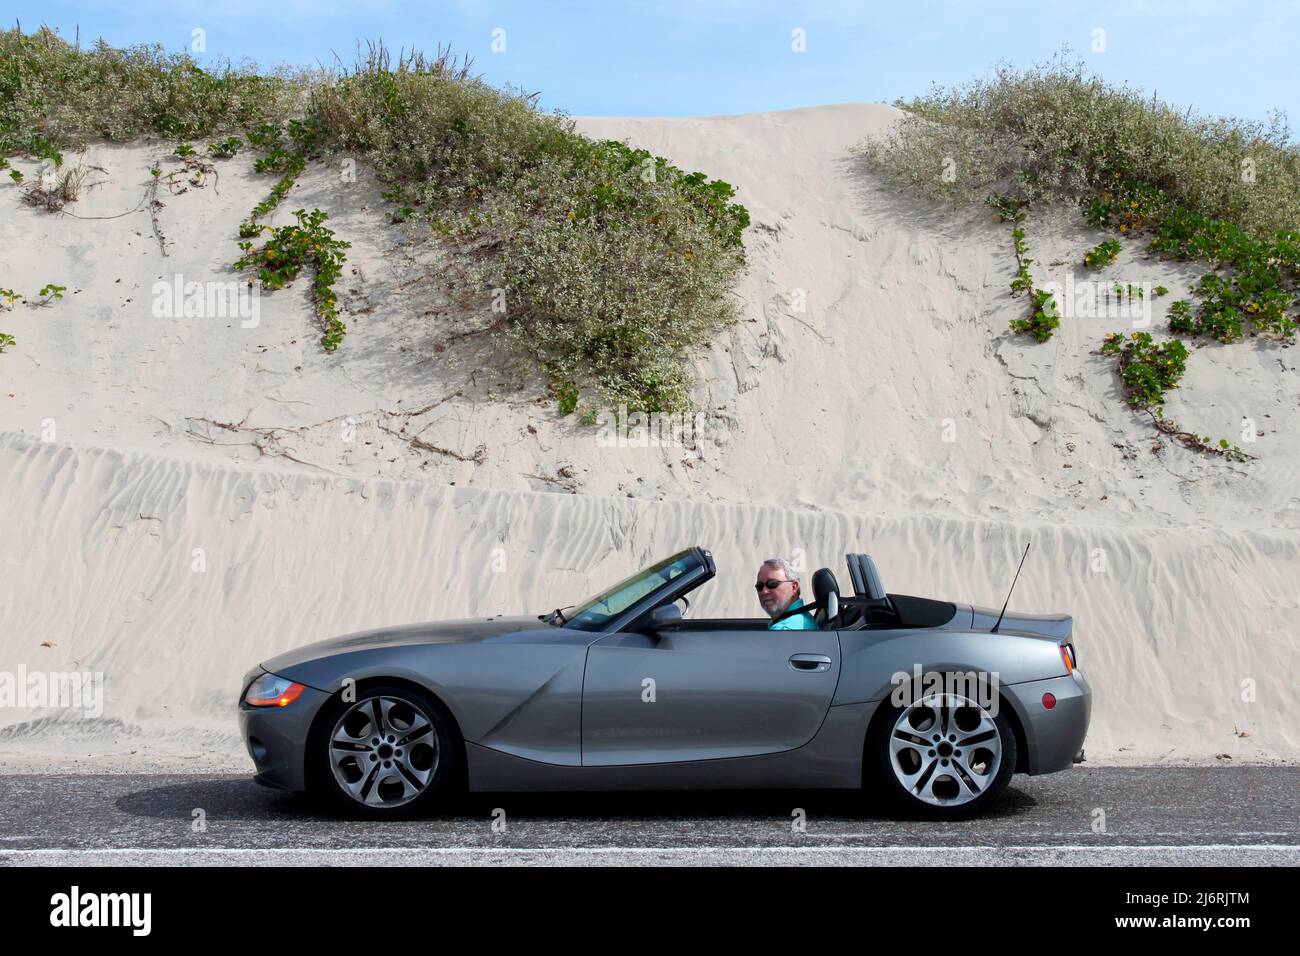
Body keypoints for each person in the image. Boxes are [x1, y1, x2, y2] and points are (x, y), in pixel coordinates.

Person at [755, 557, 817, 630]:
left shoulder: (783, 630)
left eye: (772, 584)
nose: (764, 591)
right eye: (759, 586)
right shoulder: (802, 618)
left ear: (794, 587)